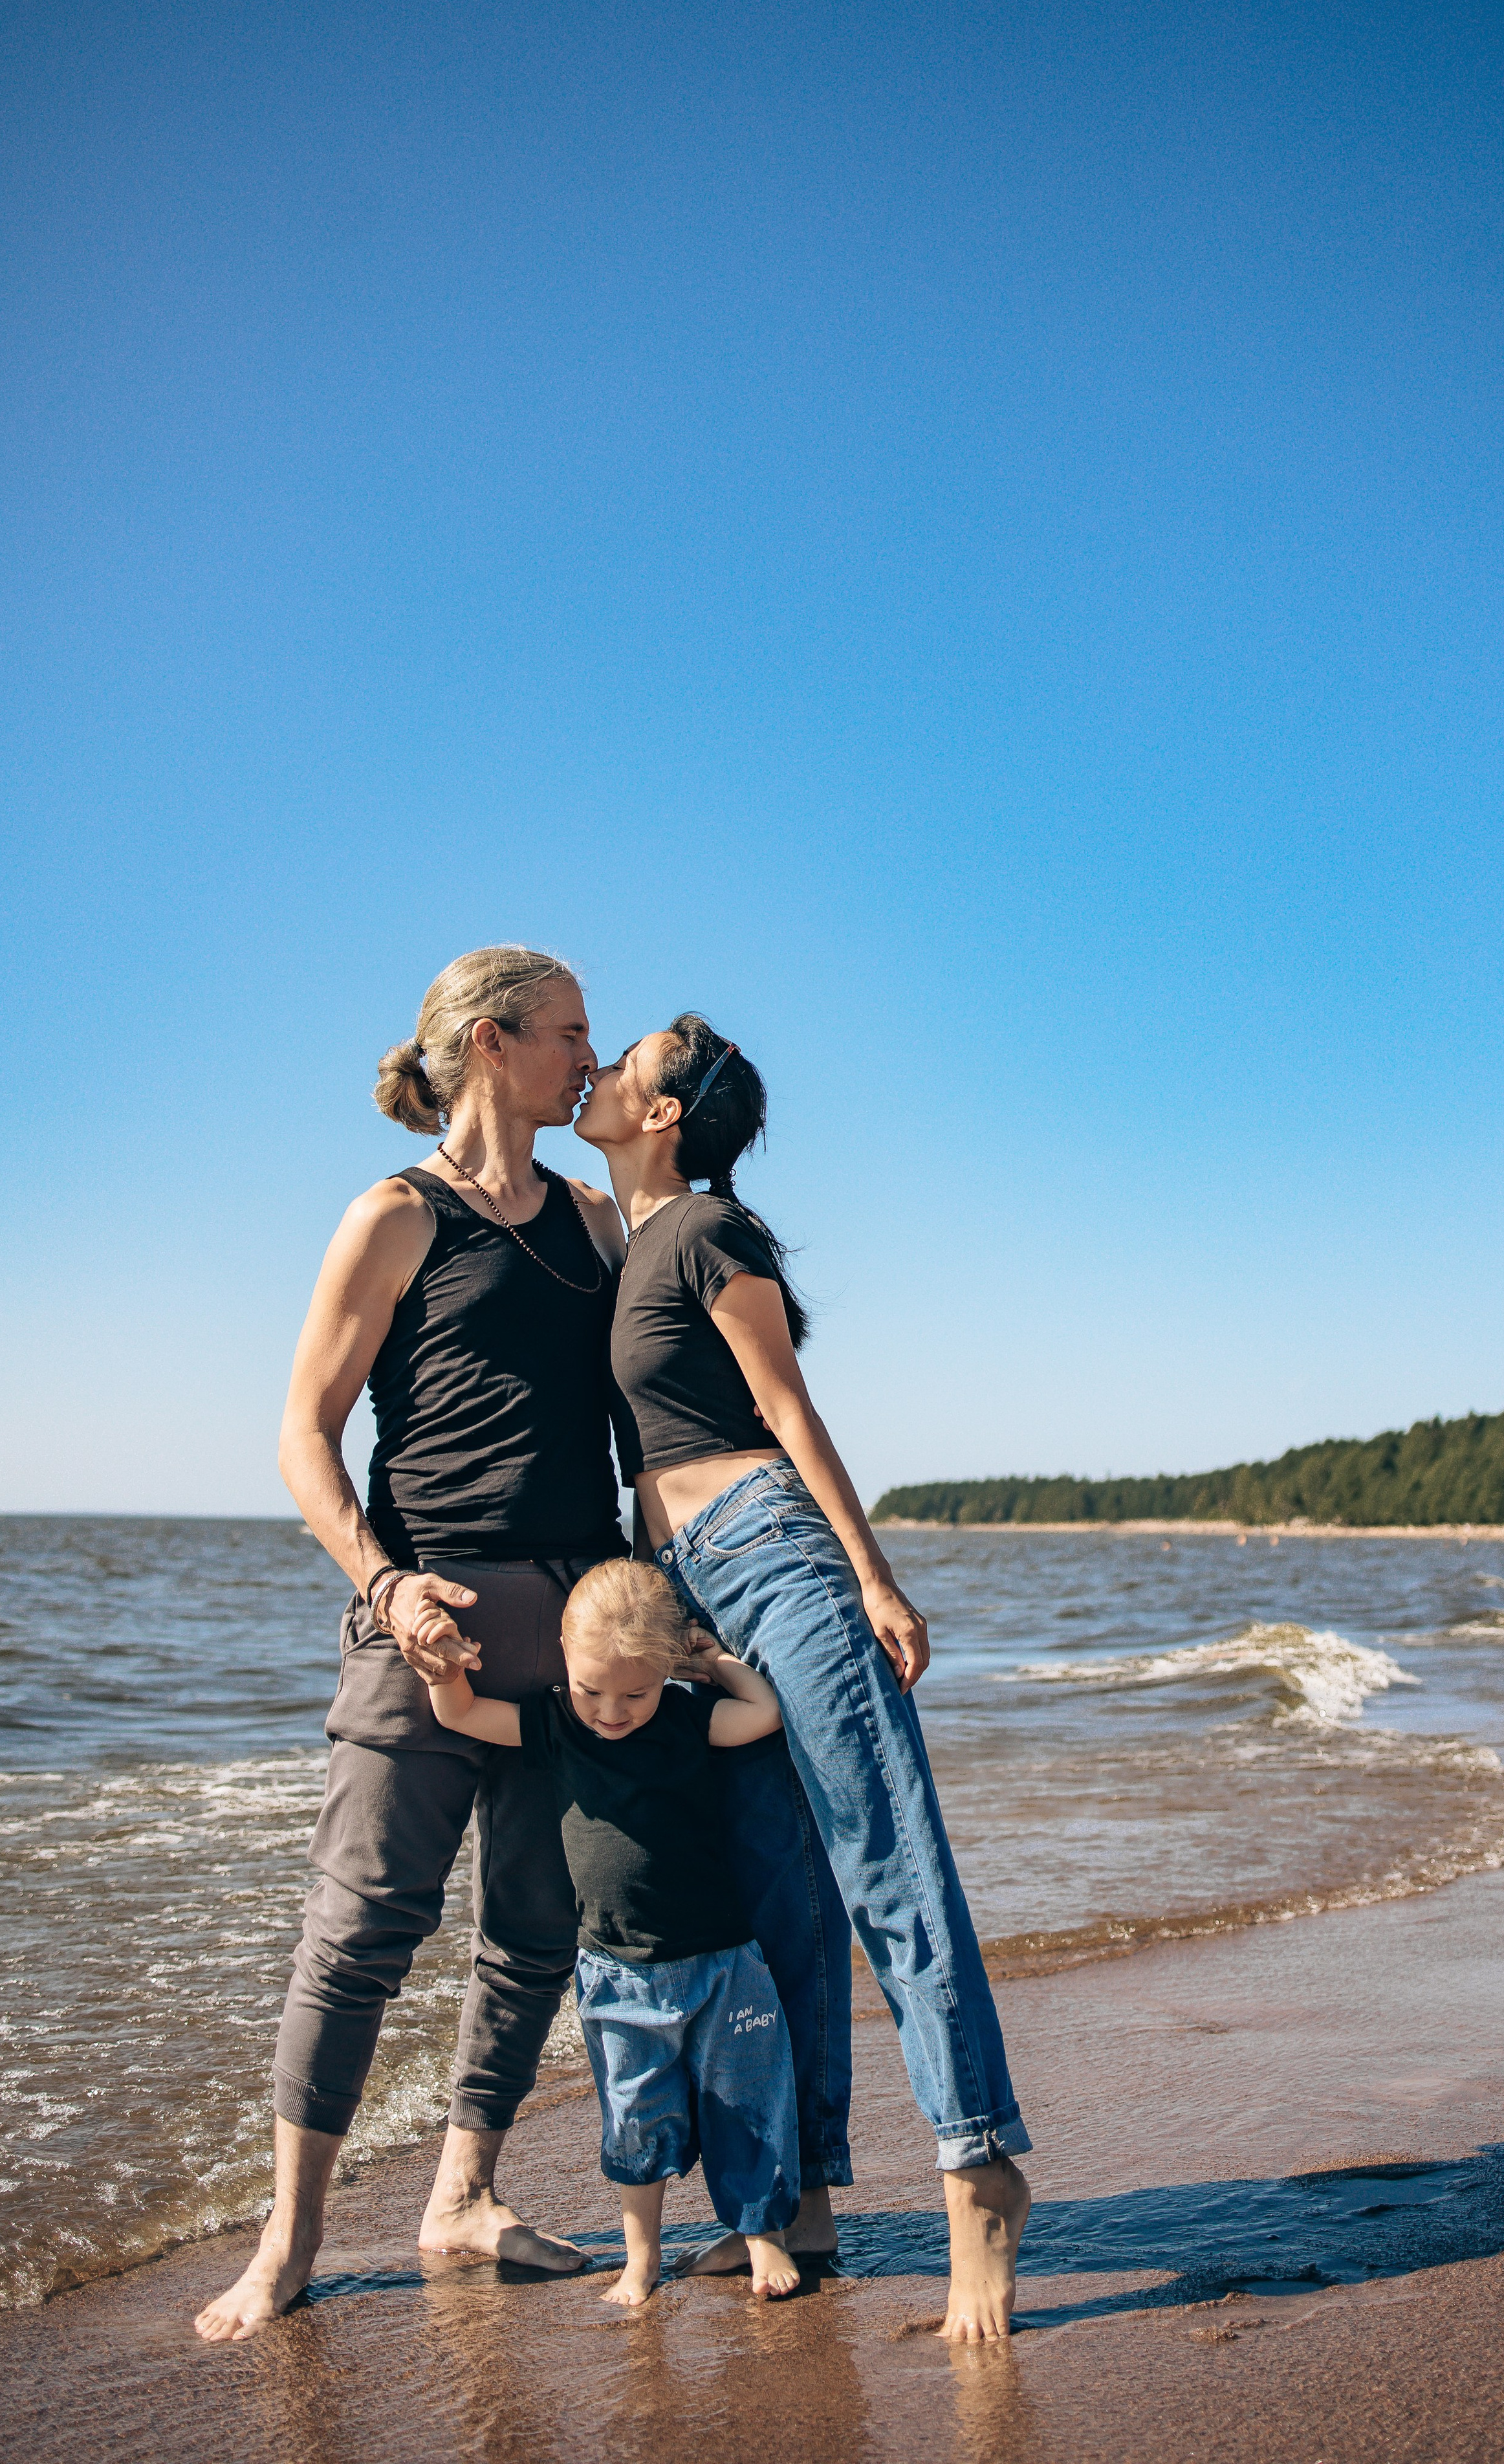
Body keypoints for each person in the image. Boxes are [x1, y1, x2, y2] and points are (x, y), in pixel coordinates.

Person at [575, 1015, 1032, 2344]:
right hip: (688, 1600)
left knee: (885, 1869)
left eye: (629, 1060)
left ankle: (979, 2173)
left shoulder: (714, 1233)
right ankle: (804, 2201)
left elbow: (786, 1409)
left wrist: (876, 1580)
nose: (602, 1071)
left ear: (666, 1112)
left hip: (777, 1560)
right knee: (780, 1903)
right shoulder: (624, 1246)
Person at [197, 945, 629, 2341]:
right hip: (425, 1616)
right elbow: (301, 1434)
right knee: (358, 1932)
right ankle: (290, 2241)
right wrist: (386, 1589)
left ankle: (463, 2195)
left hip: (573, 1623)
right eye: (570, 1033)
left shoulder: (592, 1221)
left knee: (533, 1928)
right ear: (494, 1044)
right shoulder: (392, 1216)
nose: (590, 1057)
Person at [429, 1556, 804, 2306]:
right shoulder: (556, 1723)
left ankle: (763, 2240)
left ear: (667, 1669)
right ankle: (642, 2259)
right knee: (635, 2120)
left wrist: (718, 1664)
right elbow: (462, 1715)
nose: (610, 1710)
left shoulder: (686, 1720)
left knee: (751, 2103)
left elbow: (763, 1714)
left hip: (724, 1961)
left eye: (635, 1691)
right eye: (591, 1688)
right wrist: (443, 1666)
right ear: (563, 1662)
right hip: (615, 1971)